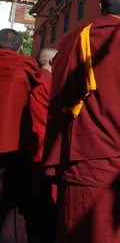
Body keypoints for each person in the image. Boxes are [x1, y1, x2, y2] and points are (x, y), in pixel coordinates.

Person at [43, 0, 120, 243]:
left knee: (78, 218)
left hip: (83, 145)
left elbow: (60, 91)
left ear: (100, 8)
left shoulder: (78, 38)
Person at [0, 28, 40, 243]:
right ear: (18, 47)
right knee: (12, 200)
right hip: (14, 143)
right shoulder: (24, 69)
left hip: (13, 143)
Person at [27, 48, 58, 243]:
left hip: (27, 145)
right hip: (45, 145)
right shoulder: (48, 83)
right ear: (53, 63)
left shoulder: (29, 78)